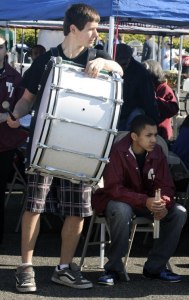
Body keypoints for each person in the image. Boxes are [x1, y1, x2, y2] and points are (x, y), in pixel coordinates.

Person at [7, 3, 123, 293]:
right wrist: (16, 114)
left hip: (81, 146)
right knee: (34, 206)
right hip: (44, 144)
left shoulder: (98, 55)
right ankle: (25, 267)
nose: (97, 34)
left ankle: (64, 268)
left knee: (78, 210)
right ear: (73, 29)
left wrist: (107, 64)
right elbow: (27, 98)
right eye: (92, 29)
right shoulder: (45, 61)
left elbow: (120, 69)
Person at [92, 115, 187, 286]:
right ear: (134, 137)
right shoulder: (117, 151)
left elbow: (166, 185)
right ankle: (113, 269)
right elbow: (114, 188)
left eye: (155, 135)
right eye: (148, 135)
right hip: (119, 202)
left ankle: (155, 268)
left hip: (147, 202)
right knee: (122, 210)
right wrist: (145, 201)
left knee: (179, 213)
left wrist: (163, 203)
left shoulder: (157, 151)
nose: (153, 140)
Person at [0, 35, 27, 245]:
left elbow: (22, 110)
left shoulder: (15, 78)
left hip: (4, 144)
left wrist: (9, 117)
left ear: (6, 50)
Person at [115, 43, 159, 131]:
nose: (121, 67)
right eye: (118, 63)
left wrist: (154, 121)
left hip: (130, 115)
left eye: (124, 63)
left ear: (130, 58)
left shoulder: (141, 73)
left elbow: (148, 99)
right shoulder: (110, 66)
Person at [142, 59, 179, 140]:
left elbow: (173, 109)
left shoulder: (164, 88)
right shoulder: (146, 87)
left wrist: (155, 99)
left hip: (161, 132)